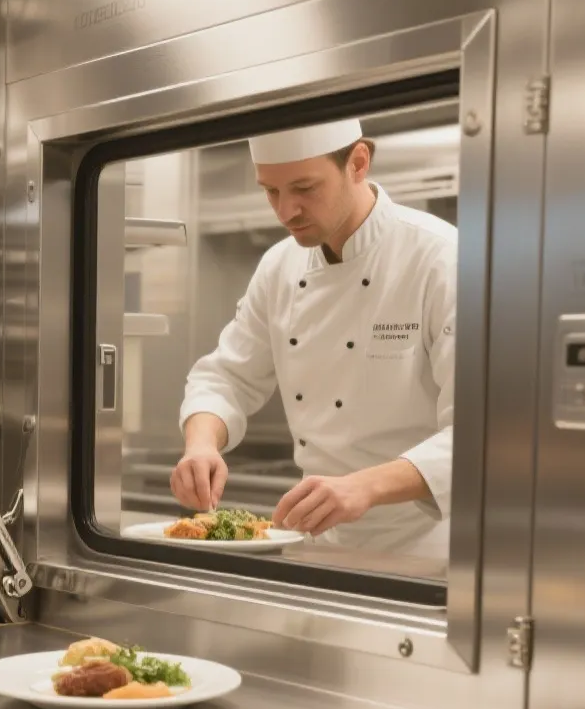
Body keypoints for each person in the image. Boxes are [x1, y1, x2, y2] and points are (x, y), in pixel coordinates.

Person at [170, 119, 455, 559]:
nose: (286, 212)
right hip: (313, 544)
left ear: (358, 163)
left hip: (423, 552)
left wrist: (365, 486)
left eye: (304, 188)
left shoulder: (440, 259)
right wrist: (202, 445)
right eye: (271, 191)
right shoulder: (279, 266)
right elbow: (226, 377)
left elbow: (480, 433)